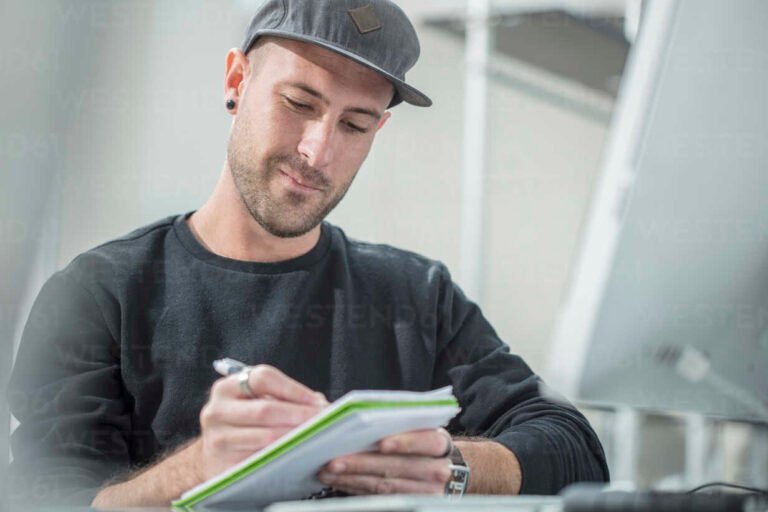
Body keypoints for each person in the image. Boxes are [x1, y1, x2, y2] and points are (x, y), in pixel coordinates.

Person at [8, 0, 609, 507]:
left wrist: (450, 467)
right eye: (299, 103)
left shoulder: (415, 297)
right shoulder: (100, 294)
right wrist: (201, 468)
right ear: (236, 82)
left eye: (355, 125)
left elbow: (574, 450)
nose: (318, 151)